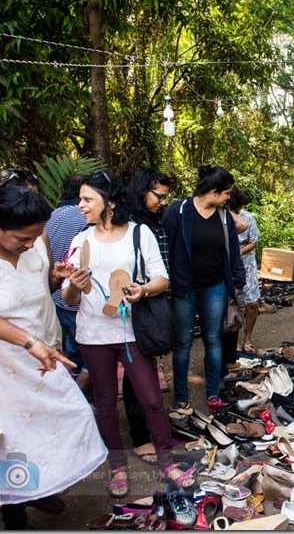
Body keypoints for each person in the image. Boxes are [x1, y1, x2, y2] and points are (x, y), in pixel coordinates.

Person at [0, 186, 107, 529]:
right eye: (22, 238)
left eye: (35, 236)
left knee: (73, 420)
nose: (31, 244)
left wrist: (55, 278)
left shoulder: (34, 242)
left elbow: (32, 287)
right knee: (10, 450)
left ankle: (39, 489)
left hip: (41, 362)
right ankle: (15, 518)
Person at [62, 171, 194, 496]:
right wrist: (73, 288)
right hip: (92, 335)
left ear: (110, 201)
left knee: (151, 399)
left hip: (133, 333)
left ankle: (167, 461)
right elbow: (68, 297)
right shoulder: (81, 240)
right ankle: (117, 467)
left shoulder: (140, 233)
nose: (80, 205)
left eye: (87, 199)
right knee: (105, 403)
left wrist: (143, 290)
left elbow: (161, 278)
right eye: (80, 199)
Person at [164, 165, 246, 415]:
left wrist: (238, 281)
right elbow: (166, 249)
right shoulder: (178, 211)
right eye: (226, 193)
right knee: (183, 343)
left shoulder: (224, 216)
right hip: (184, 288)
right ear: (213, 191)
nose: (228, 198)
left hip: (215, 287)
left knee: (213, 340)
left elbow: (232, 250)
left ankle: (213, 392)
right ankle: (181, 398)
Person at [123, 167, 174, 465]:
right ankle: (139, 435)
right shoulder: (128, 224)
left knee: (145, 364)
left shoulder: (154, 220)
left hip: (154, 299)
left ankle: (148, 426)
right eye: (158, 195)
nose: (162, 202)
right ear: (142, 189)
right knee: (135, 371)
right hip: (132, 304)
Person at [44, 175, 88, 390]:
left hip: (56, 296)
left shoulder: (49, 217)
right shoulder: (84, 218)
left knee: (72, 347)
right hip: (76, 297)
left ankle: (76, 378)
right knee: (89, 355)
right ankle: (80, 395)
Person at [229, 186, 261, 354]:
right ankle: (230, 339)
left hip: (246, 265)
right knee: (230, 304)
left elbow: (253, 242)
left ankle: (247, 338)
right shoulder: (216, 217)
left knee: (252, 304)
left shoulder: (248, 218)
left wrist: (237, 252)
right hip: (226, 267)